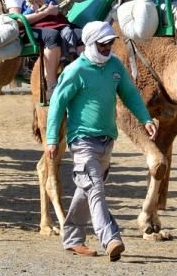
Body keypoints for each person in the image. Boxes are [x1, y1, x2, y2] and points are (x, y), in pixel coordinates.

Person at [46, 20, 157, 260]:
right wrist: (52, 138)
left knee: (86, 190)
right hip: (82, 140)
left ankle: (73, 239)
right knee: (95, 189)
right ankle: (111, 239)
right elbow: (57, 103)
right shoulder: (76, 71)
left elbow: (129, 94)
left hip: (107, 140)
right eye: (102, 44)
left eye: (109, 44)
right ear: (90, 43)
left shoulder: (114, 66)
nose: (107, 48)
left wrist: (145, 118)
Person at [3, 0, 117, 98]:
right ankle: (52, 87)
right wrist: (44, 13)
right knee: (52, 36)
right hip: (30, 28)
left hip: (56, 22)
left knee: (86, 36)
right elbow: (17, 20)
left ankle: (87, 78)